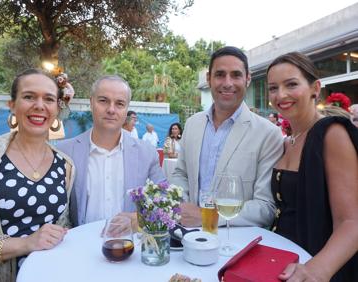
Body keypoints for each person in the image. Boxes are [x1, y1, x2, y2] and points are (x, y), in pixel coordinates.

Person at [0, 69, 75, 281]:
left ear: (57, 109)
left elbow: (62, 227)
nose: (39, 105)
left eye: (49, 99)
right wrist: (26, 243)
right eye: (29, 96)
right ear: (12, 105)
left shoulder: (65, 165)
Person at [267, 52, 358, 281]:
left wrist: (317, 270)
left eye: (291, 84)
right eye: (273, 88)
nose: (281, 95)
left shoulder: (331, 134)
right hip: (281, 262)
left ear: (315, 88)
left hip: (319, 268)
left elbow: (352, 222)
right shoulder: (287, 141)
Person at [172, 46, 284, 227]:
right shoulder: (192, 124)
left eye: (236, 75)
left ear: (248, 79)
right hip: (188, 235)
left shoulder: (268, 134)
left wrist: (207, 217)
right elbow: (181, 174)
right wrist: (183, 205)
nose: (227, 83)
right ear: (209, 79)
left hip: (237, 241)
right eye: (220, 74)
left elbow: (265, 207)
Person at [57, 75, 166, 228]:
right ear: (91, 102)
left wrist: (139, 218)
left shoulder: (147, 153)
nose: (111, 110)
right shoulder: (65, 152)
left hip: (129, 246)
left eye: (120, 103)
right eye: (103, 101)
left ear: (126, 109)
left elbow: (165, 200)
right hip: (80, 245)